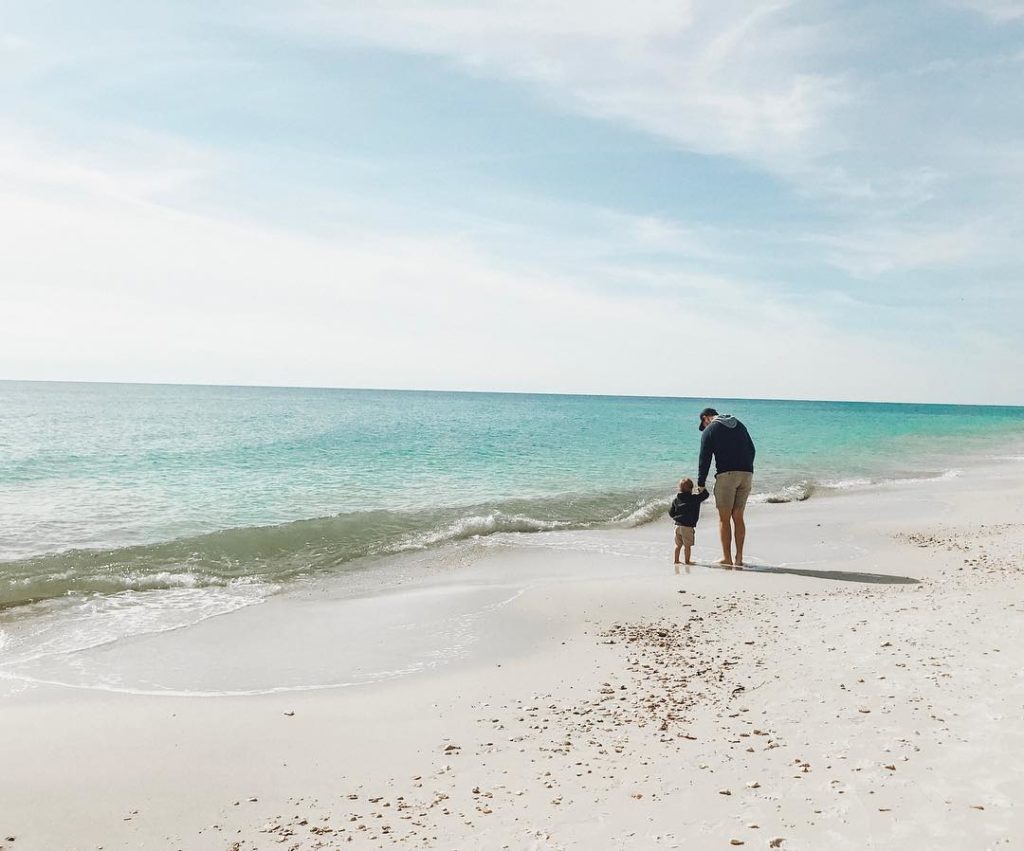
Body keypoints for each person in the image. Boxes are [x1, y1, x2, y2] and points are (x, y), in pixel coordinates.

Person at [697, 407, 756, 568]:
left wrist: (701, 483)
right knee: (738, 516)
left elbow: (705, 458)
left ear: (705, 418)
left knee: (724, 519)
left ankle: (727, 558)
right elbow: (752, 449)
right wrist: (747, 468)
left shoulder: (710, 430)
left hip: (727, 476)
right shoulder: (740, 425)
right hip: (746, 475)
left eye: (703, 423)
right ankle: (739, 558)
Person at [668, 477, 710, 566]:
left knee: (678, 545)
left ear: (679, 489)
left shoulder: (676, 500)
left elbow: (671, 513)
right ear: (691, 489)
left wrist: (676, 517)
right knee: (687, 546)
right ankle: (687, 561)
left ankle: (676, 560)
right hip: (687, 527)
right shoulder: (694, 498)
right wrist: (701, 489)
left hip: (677, 526)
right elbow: (705, 495)